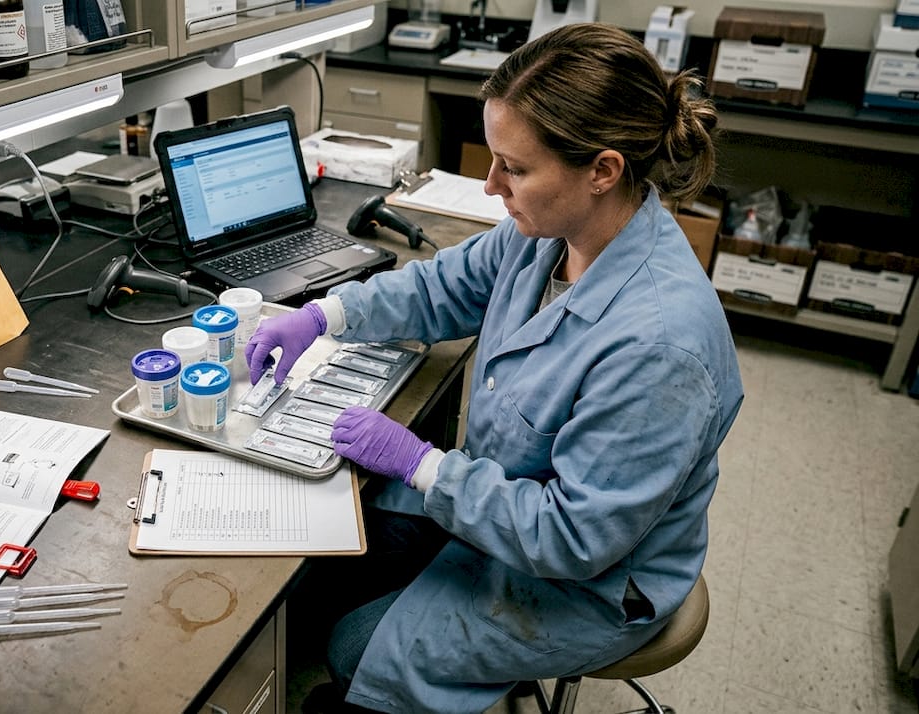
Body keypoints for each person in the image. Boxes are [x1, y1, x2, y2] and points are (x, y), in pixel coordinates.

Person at [244, 22, 745, 714]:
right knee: (338, 550)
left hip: (593, 580)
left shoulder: (660, 348)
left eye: (515, 167)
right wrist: (324, 314)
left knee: (355, 652)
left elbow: (573, 539)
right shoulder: (550, 236)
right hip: (507, 501)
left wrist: (422, 465)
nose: (490, 186)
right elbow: (438, 288)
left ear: (603, 170)